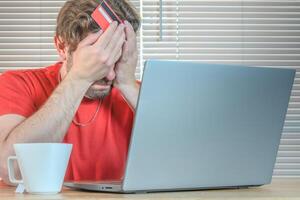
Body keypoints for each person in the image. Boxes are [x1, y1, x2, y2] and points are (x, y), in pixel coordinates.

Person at [0, 0, 140, 185]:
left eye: (117, 57)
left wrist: (128, 84)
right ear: (61, 46)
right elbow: (10, 169)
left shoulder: (134, 93)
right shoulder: (19, 84)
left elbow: (184, 156)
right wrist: (80, 79)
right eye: (98, 58)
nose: (109, 73)